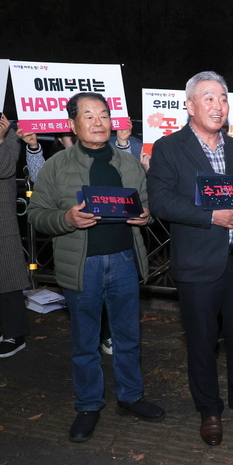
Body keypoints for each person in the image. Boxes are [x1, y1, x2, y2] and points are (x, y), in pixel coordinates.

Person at [27, 92, 164, 443]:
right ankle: (88, 404)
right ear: (73, 123)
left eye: (103, 115)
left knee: (127, 337)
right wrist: (66, 217)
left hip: (123, 262)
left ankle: (131, 396)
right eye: (88, 116)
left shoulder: (129, 163)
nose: (98, 122)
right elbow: (37, 215)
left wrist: (144, 217)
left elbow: (144, 208)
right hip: (80, 267)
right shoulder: (56, 166)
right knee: (85, 342)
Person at [147, 71, 233, 446]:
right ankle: (210, 410)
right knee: (201, 341)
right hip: (198, 261)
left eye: (223, 99)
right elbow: (161, 201)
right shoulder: (169, 148)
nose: (218, 106)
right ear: (189, 105)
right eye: (209, 98)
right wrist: (210, 215)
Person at [0, 114, 31, 358]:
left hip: (2, 216)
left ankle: (14, 333)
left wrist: (2, 138)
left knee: (8, 275)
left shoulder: (9, 134)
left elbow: (6, 168)